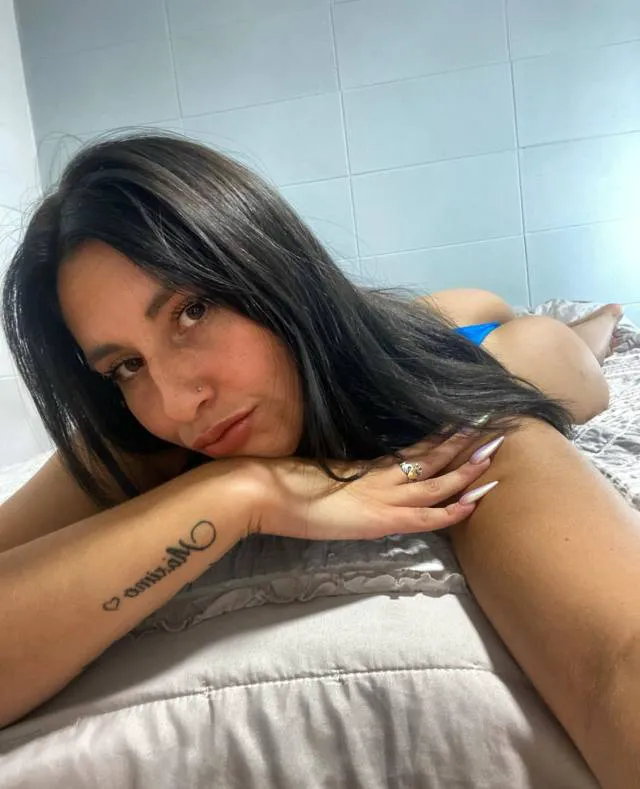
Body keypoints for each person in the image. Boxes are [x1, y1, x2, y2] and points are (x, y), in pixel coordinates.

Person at [0, 134, 637, 787]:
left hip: (450, 352)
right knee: (439, 308)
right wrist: (239, 493)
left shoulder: (454, 427)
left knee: (544, 346)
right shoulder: (142, 436)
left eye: (192, 310)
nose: (178, 401)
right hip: (376, 326)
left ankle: (599, 322)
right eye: (126, 365)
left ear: (263, 264)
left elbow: (616, 659)